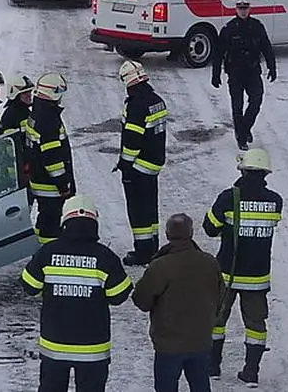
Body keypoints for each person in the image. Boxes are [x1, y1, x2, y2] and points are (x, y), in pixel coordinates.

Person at [20, 195, 133, 392]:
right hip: (93, 351)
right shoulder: (105, 257)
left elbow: (30, 287)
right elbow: (119, 296)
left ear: (65, 221)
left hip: (54, 347)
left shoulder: (47, 253)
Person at [202, 148, 284, 387]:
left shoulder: (228, 198)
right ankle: (251, 371)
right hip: (258, 277)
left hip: (227, 273)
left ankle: (213, 365)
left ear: (243, 170)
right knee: (256, 326)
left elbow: (210, 228)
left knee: (216, 321)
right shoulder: (274, 201)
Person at [132, 213, 224, 392]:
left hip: (169, 344)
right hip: (200, 341)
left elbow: (141, 301)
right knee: (200, 386)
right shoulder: (210, 262)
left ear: (167, 234)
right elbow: (221, 297)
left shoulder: (161, 265)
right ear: (191, 233)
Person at [116, 60, 168, 266]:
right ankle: (153, 245)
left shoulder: (136, 105)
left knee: (138, 211)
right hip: (154, 164)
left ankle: (143, 251)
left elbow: (132, 140)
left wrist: (125, 165)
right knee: (150, 207)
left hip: (138, 166)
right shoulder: (157, 100)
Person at [211, 0, 277, 151]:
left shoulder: (257, 26)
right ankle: (241, 138)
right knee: (237, 105)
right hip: (235, 72)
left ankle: (245, 128)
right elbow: (219, 52)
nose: (243, 10)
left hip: (253, 71)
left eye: (245, 7)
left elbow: (266, 47)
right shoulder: (229, 29)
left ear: (249, 9)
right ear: (236, 9)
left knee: (256, 100)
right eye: (240, 8)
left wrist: (272, 67)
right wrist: (215, 74)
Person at [25, 72, 75, 244]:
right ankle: (48, 252)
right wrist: (63, 184)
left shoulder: (36, 114)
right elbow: (52, 158)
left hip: (39, 180)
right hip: (50, 185)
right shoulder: (48, 120)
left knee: (44, 219)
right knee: (51, 224)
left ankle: (40, 247)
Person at [1, 72, 35, 186]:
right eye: (25, 93)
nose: (29, 95)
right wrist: (23, 165)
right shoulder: (10, 116)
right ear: (15, 94)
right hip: (16, 173)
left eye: (30, 92)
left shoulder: (26, 112)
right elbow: (10, 147)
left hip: (26, 169)